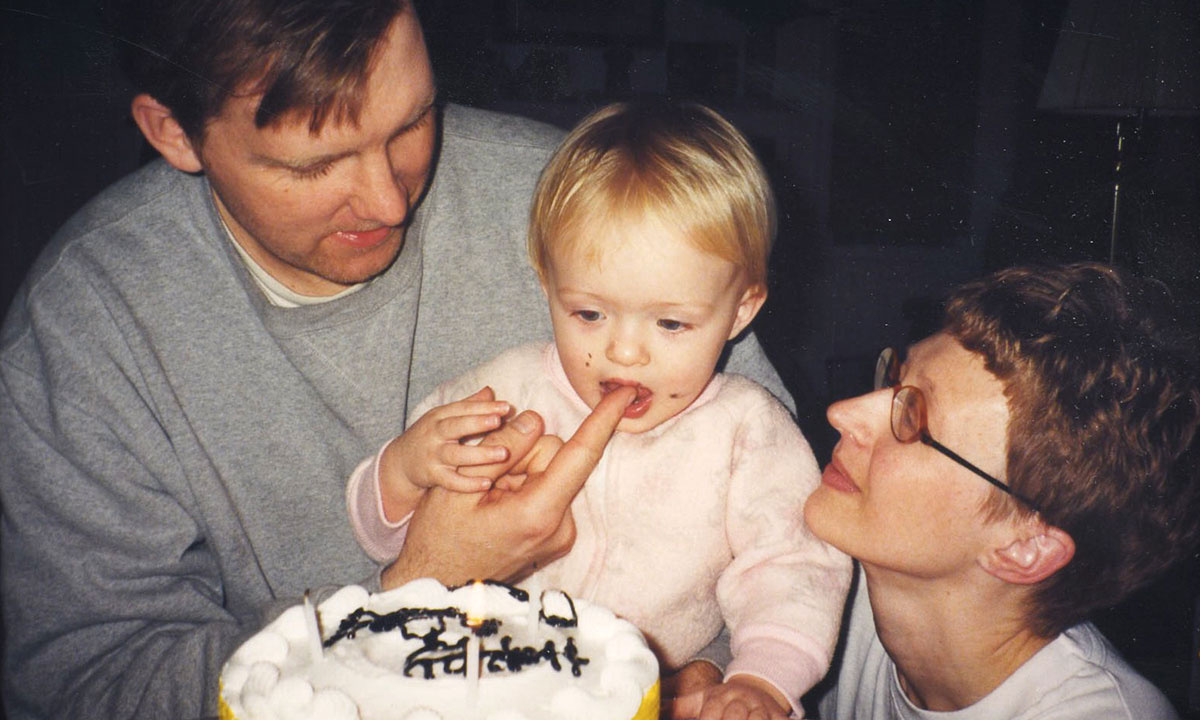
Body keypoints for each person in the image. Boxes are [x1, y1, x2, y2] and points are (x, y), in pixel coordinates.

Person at [0, 2, 792, 718]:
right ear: (174, 132)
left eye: (414, 121)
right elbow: (94, 677)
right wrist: (417, 585)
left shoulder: (582, 198)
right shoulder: (85, 327)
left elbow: (779, 525)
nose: (388, 201)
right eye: (313, 164)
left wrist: (702, 676)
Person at [346, 102, 852, 719]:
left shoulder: (748, 430)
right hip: (488, 689)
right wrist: (401, 472)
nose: (625, 350)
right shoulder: (503, 391)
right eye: (589, 313)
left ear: (741, 312)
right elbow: (386, 541)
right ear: (546, 286)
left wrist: (763, 680)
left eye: (670, 323)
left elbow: (792, 567)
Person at [795, 262, 1198, 719]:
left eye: (913, 419)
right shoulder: (817, 583)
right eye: (894, 378)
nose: (842, 412)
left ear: (1025, 547)